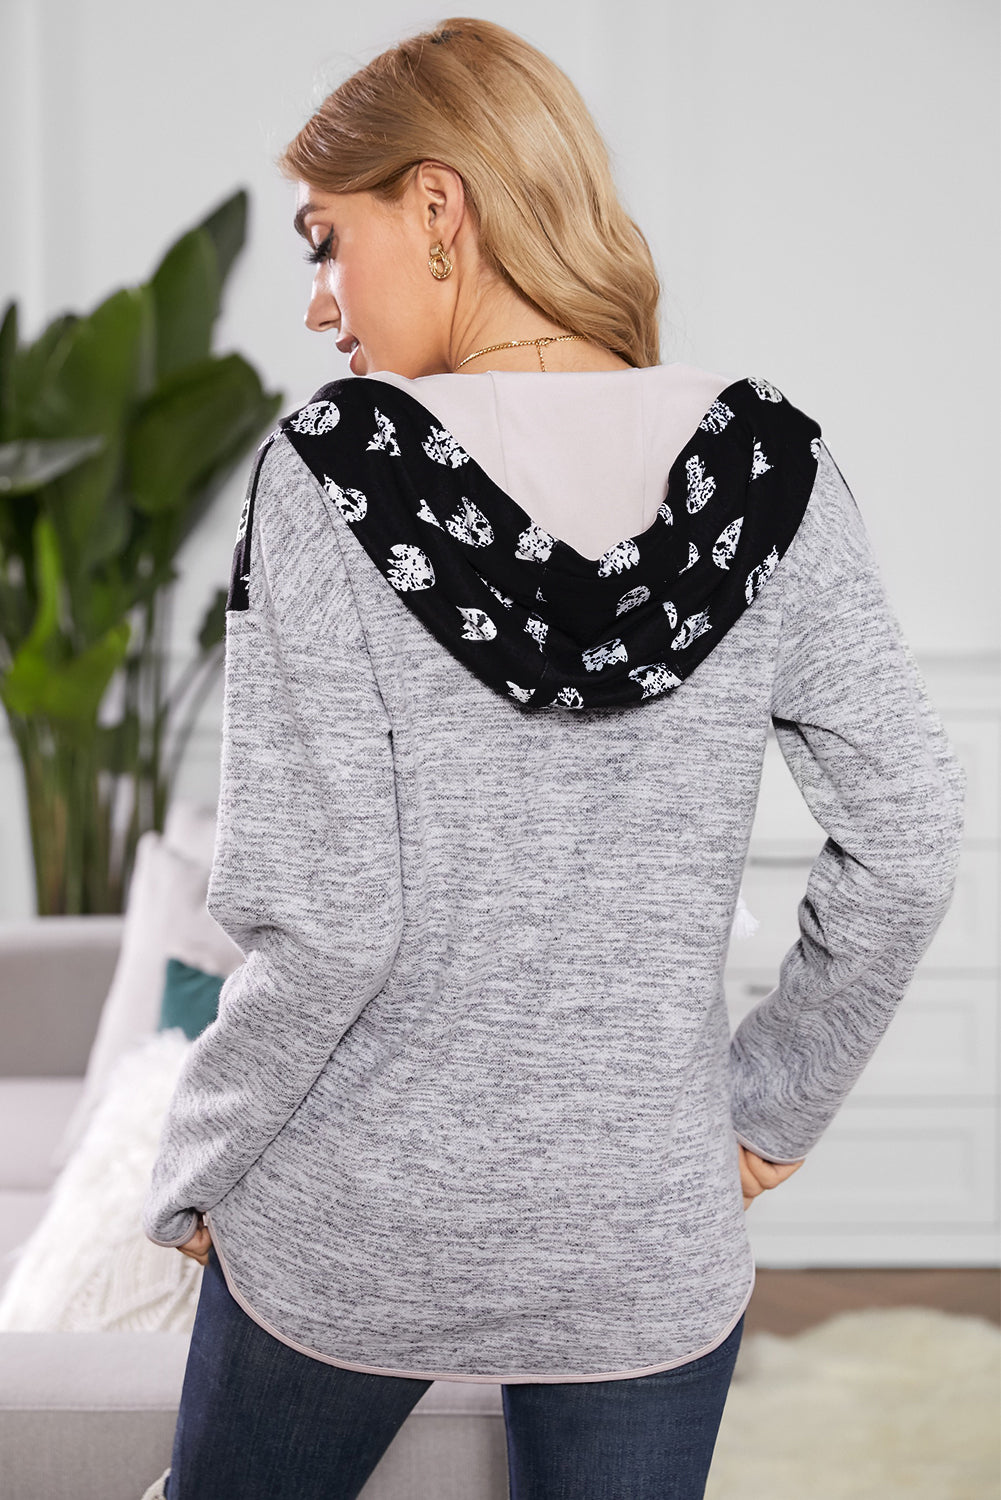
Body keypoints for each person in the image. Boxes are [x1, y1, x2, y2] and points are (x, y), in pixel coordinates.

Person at [139, 16, 966, 1500]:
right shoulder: (770, 473)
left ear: (437, 205)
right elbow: (907, 840)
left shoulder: (324, 474)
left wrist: (198, 1158)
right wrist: (765, 1108)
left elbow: (328, 923)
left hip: (353, 1218)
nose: (321, 303)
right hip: (640, 1230)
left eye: (327, 243)